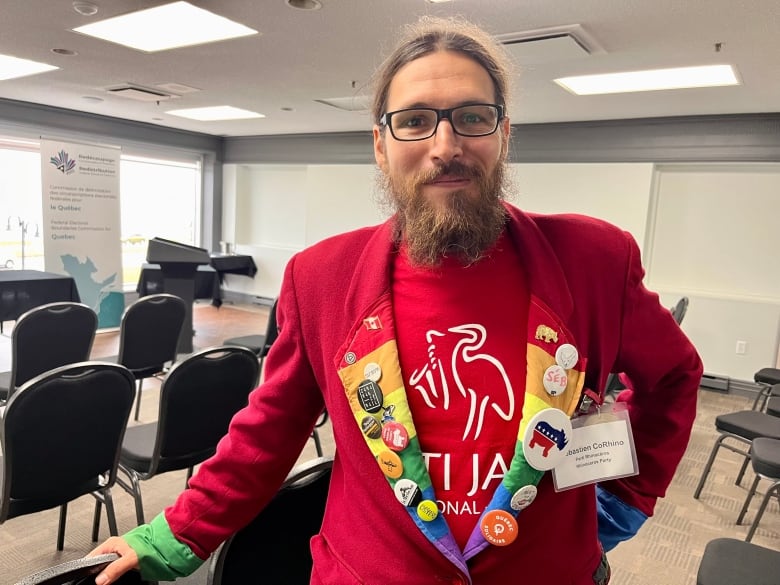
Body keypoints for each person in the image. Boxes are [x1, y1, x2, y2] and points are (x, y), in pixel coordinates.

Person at [91, 15, 702, 585]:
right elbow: (270, 429)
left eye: (472, 117)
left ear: (504, 135)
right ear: (381, 146)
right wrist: (172, 536)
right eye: (414, 121)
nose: (445, 145)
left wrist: (623, 497)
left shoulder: (593, 259)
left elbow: (674, 375)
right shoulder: (322, 277)